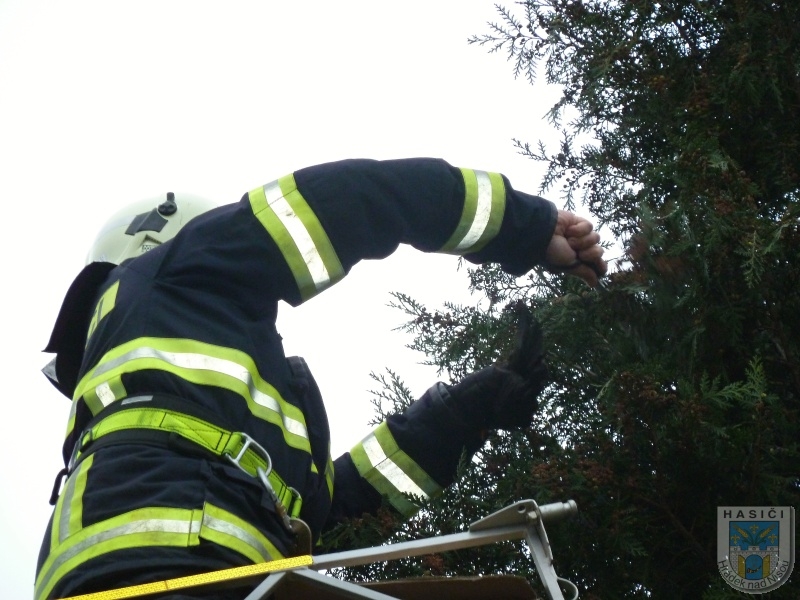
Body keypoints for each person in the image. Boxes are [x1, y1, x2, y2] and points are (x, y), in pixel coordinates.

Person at [35, 158, 606, 600]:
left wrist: (463, 413)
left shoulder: (210, 402)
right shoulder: (174, 270)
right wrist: (525, 226)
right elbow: (349, 200)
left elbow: (342, 508)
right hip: (168, 566)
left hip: (204, 571)